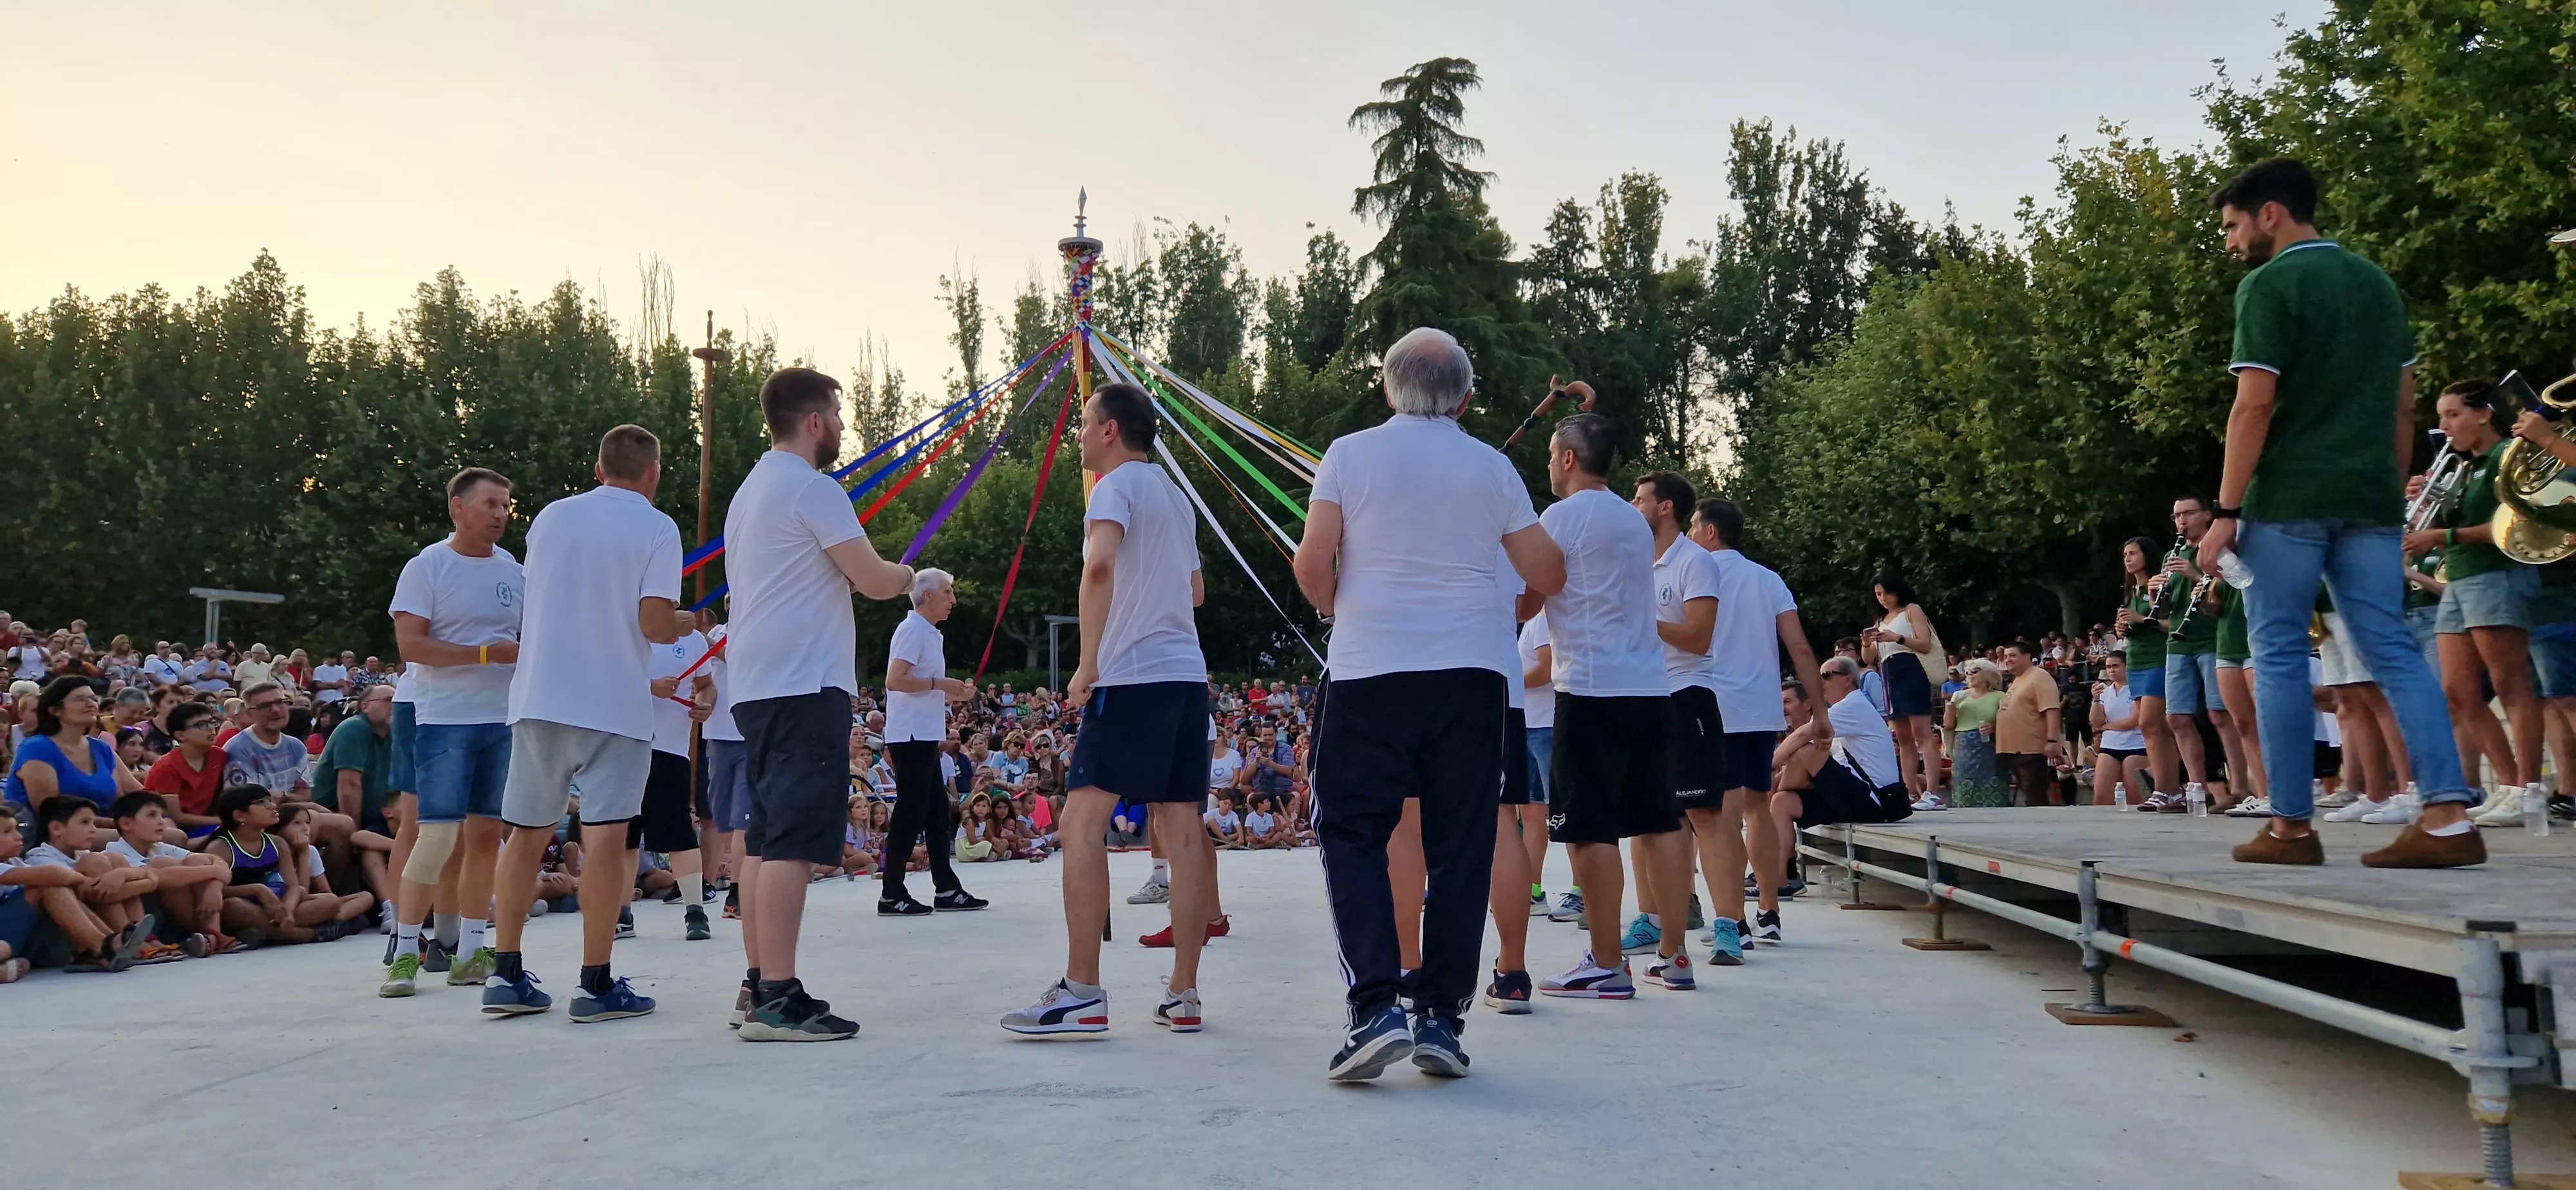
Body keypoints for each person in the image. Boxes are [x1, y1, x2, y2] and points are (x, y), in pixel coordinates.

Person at [1289, 330, 1563, 1081]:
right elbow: (1547, 570)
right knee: (1461, 844)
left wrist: (1335, 610)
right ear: (1467, 399)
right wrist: (1509, 608)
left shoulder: (1348, 453)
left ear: (1387, 389)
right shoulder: (1493, 466)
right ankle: (1441, 1017)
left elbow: (1312, 563)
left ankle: (1375, 1006)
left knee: (1351, 834)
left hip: (1370, 669)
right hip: (1470, 675)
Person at [2194, 156, 2483, 867]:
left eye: (2233, 227)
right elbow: (2403, 404)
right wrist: (2384, 491)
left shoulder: (2270, 284)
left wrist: (2226, 508)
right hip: (2369, 500)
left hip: (2289, 497)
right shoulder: (2377, 284)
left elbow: (2254, 403)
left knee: (2281, 655)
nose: (2231, 244)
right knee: (2391, 648)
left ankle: (2291, 826)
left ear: (2269, 214)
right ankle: (2447, 814)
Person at [1003, 381, 1218, 1039]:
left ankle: (1081, 991)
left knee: (1082, 822)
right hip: (1185, 675)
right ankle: (1184, 993)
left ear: (1108, 431)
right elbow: (1196, 591)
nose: (1074, 435)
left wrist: (1088, 662)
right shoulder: (1174, 499)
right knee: (1182, 829)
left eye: (1083, 423)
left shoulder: (1114, 489)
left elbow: (1097, 570)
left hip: (1131, 677)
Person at [724, 370, 920, 1042]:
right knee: (794, 840)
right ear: (813, 421)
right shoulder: (814, 488)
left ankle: (757, 985)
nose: (840, 425)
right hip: (802, 681)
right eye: (835, 413)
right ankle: (779, 995)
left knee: (766, 835)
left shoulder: (751, 490)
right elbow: (870, 578)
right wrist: (911, 576)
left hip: (755, 683)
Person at [484, 424, 694, 1022]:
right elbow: (654, 624)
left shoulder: (550, 517)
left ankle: (505, 973)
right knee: (606, 841)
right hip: (612, 702)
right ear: (652, 474)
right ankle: (595, 983)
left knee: (525, 833)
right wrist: (684, 623)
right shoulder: (657, 527)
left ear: (598, 469)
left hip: (540, 694)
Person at [1528, 413, 1692, 1003]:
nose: (1549, 462)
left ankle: (1606, 962)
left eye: (1552, 453)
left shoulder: (1560, 517)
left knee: (1587, 828)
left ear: (1570, 459)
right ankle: (1675, 955)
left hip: (1591, 689)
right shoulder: (1634, 518)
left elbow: (1527, 599)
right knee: (1660, 819)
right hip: (1649, 685)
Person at [380, 467, 524, 999]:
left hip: (500, 717)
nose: (500, 514)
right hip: (443, 716)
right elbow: (412, 646)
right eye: (490, 504)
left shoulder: (514, 570)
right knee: (435, 834)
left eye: (506, 506)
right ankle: (405, 950)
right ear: (458, 508)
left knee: (487, 837)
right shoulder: (428, 566)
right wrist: (486, 654)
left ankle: (469, 951)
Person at [1686, 496, 1822, 950]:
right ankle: (1770, 908)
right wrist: (1819, 710)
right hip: (1760, 707)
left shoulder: (1695, 575)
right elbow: (1799, 647)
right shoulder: (1768, 580)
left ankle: (1733, 919)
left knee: (1721, 817)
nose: (1688, 535)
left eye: (1692, 527)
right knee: (1758, 807)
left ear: (1710, 532)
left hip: (1712, 706)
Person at [2408, 379, 2547, 815]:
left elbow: (2519, 527)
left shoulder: (2509, 457)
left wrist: (2441, 533)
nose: (2444, 426)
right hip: (2461, 579)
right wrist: (2425, 501)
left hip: (2497, 575)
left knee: (2510, 683)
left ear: (2484, 413)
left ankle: (2530, 788)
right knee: (2457, 692)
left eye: (2453, 415)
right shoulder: (2464, 468)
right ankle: (2508, 785)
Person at [1628, 472, 1730, 963]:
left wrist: (1640, 619)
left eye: (1640, 497)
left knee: (1703, 814)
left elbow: (1698, 637)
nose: (1632, 504)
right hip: (1642, 697)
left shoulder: (1695, 562)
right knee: (1646, 817)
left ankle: (1730, 924)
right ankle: (1650, 920)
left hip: (1686, 695)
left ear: (1664, 507)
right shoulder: (1635, 561)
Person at [878, 571, 980, 920]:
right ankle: (892, 893)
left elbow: (919, 684)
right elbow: (895, 680)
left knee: (937, 813)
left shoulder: (929, 633)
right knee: (911, 813)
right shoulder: (912, 631)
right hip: (910, 736)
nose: (953, 599)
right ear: (926, 596)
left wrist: (951, 691)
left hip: (922, 733)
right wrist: (940, 683)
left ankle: (946, 887)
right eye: (948, 592)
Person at [637, 617, 717, 942]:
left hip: (671, 748)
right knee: (624, 833)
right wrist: (649, 686)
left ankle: (695, 911)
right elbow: (603, 676)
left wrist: (706, 704)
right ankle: (621, 914)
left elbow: (706, 684)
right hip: (627, 742)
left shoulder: (694, 639)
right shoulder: (627, 626)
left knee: (681, 832)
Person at [1864, 571, 1946, 805]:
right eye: (1878, 594)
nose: (1882, 598)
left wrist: (1897, 638)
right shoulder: (1880, 621)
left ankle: (1933, 792)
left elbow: (1924, 643)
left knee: (1922, 732)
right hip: (1890, 674)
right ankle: (1910, 791)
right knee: (1903, 737)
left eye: (1886, 593)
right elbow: (1869, 657)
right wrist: (1867, 642)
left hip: (1911, 669)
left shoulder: (1912, 610)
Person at [2114, 537, 2184, 809]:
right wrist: (2123, 627)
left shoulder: (2158, 584)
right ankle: (2169, 789)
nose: (2128, 559)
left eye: (2133, 553)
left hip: (2158, 658)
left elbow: (2172, 623)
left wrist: (2141, 619)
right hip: (2136, 660)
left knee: (2150, 723)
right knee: (2152, 728)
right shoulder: (2132, 590)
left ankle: (2165, 787)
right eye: (2125, 554)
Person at [6, 676, 143, 815]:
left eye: (94, 699)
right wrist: (122, 828)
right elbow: (54, 815)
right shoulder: (37, 748)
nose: (91, 704)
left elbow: (140, 797)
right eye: (81, 699)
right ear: (55, 710)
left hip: (107, 829)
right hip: (54, 833)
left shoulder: (102, 749)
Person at [1993, 644, 2064, 806]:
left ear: (2027, 656)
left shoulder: (2039, 676)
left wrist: (2052, 741)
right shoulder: (2018, 680)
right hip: (2013, 749)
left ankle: (2045, 828)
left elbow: (2051, 709)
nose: (2008, 660)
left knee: (2036, 795)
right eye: (2006, 657)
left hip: (2032, 749)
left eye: (2013, 655)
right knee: (2029, 793)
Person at [143, 700, 227, 838]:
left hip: (207, 822)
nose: (210, 729)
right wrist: (222, 821)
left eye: (212, 722)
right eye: (201, 725)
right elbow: (176, 817)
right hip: (170, 829)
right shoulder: (167, 767)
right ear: (180, 735)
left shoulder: (219, 755)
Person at [2089, 655, 2154, 806]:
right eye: (2108, 667)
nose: (2111, 670)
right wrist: (2096, 699)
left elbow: (2134, 721)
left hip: (2136, 744)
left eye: (2116, 666)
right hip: (2110, 745)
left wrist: (2107, 727)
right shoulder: (2105, 692)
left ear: (2126, 666)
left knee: (2135, 797)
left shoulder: (2137, 689)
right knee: (2101, 797)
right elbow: (2096, 722)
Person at [1946, 659, 2006, 807]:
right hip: (1964, 743)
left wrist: (1994, 726)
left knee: (1991, 780)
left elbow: (2008, 720)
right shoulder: (1960, 696)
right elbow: (1948, 724)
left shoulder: (1999, 696)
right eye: (1967, 673)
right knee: (1963, 782)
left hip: (1989, 743)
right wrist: (1951, 708)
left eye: (1975, 672)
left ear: (1988, 674)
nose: (1970, 675)